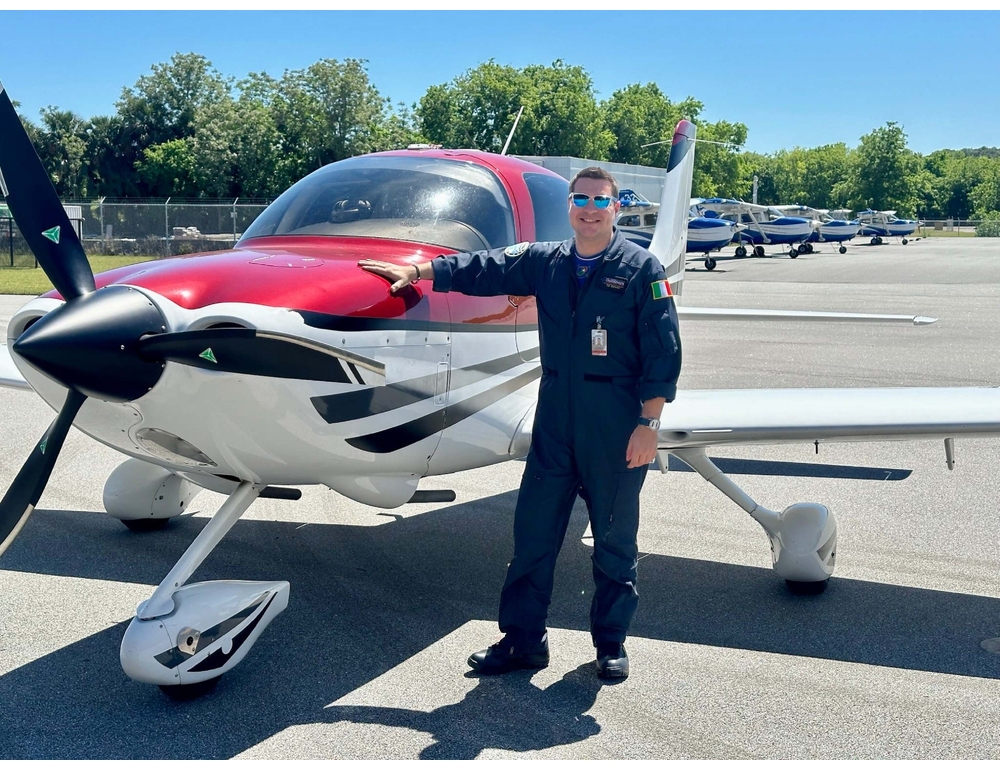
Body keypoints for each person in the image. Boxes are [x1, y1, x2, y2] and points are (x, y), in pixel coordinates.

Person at [359, 167, 681, 680]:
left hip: (615, 425)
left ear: (616, 208)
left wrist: (649, 423)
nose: (590, 209)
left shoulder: (642, 268)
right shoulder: (545, 261)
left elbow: (664, 351)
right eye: (581, 199)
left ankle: (610, 643)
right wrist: (420, 271)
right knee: (532, 537)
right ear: (569, 206)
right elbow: (484, 267)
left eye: (601, 200)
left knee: (615, 543)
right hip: (554, 419)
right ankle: (523, 641)